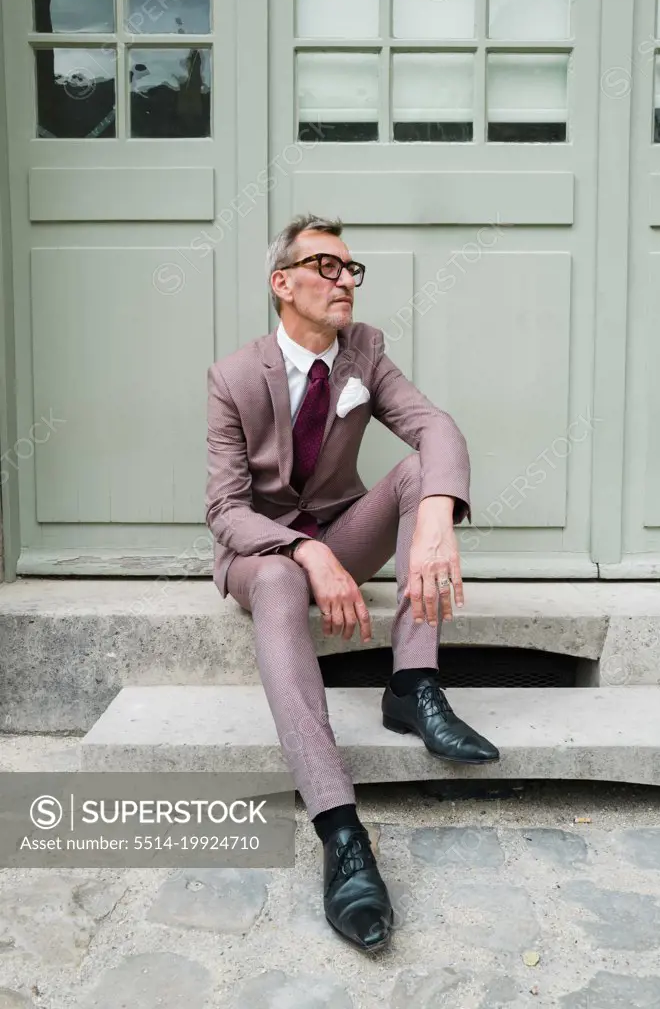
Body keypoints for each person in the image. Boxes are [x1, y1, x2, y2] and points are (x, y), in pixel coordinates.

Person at [205, 213, 499, 952]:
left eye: (350, 268)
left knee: (416, 474)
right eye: (326, 267)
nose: (345, 281)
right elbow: (225, 510)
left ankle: (413, 684)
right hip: (264, 552)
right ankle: (342, 833)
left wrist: (435, 514)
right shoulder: (234, 377)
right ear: (284, 283)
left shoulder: (364, 353)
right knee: (275, 581)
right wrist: (305, 554)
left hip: (341, 532)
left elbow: (436, 427)